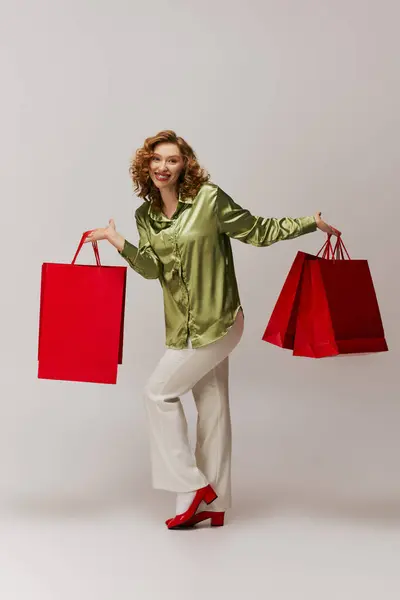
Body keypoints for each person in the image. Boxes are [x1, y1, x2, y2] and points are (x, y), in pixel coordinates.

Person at [85, 129, 340, 529]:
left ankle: (191, 486)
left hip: (220, 320)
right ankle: (215, 501)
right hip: (181, 328)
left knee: (157, 393)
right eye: (156, 160)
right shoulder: (145, 216)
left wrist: (310, 223)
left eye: (171, 159)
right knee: (213, 405)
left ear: (185, 163)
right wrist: (118, 241)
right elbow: (152, 270)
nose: (163, 167)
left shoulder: (209, 199)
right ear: (145, 166)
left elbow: (256, 231)